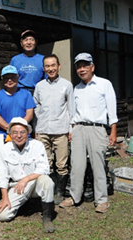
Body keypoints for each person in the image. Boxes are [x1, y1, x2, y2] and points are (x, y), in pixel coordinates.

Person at [59, 53, 118, 213]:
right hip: (78, 128)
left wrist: (113, 132)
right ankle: (74, 197)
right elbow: (72, 112)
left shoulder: (104, 84)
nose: (82, 69)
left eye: (85, 65)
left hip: (97, 128)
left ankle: (102, 200)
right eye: (79, 66)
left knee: (98, 164)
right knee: (77, 164)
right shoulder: (76, 88)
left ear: (92, 67)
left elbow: (112, 109)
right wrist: (72, 129)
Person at [0, 117, 55, 233]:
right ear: (10, 134)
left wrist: (26, 179)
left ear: (28, 133)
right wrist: (4, 198)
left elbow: (44, 169)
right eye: (15, 132)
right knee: (2, 216)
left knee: (47, 181)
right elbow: (3, 176)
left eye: (22, 132)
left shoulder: (37, 145)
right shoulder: (4, 149)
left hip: (35, 182)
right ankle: (24, 203)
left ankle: (48, 217)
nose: (19, 136)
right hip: (17, 186)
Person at [33, 54, 74, 205]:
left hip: (60, 130)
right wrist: (38, 124)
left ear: (59, 66)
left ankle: (60, 192)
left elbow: (71, 108)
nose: (50, 69)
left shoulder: (67, 85)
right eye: (47, 66)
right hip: (43, 129)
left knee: (62, 163)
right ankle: (48, 190)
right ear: (44, 68)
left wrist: (70, 128)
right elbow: (36, 105)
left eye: (53, 65)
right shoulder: (39, 86)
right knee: (46, 162)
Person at [0, 65, 36, 141]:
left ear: (18, 78)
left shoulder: (26, 94)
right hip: (3, 136)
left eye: (12, 77)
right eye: (6, 78)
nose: (9, 80)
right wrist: (10, 129)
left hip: (23, 136)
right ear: (2, 79)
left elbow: (29, 114)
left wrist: (18, 130)